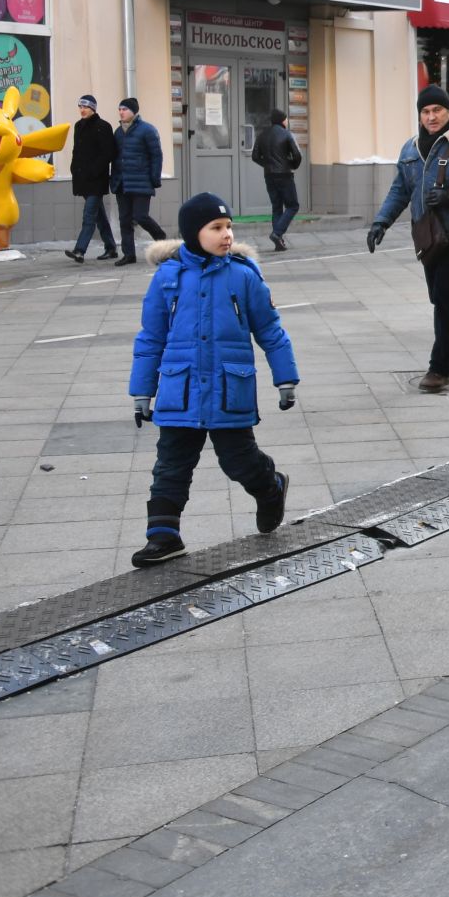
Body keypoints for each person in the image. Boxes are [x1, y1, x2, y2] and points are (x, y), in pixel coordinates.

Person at [127, 193, 297, 566]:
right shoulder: (168, 278)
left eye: (229, 228)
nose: (226, 235)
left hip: (227, 389)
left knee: (239, 461)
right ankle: (163, 535)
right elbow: (151, 336)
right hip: (179, 388)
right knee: (171, 464)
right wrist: (142, 390)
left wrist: (285, 378)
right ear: (193, 233)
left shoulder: (242, 276)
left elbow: (270, 330)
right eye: (216, 228)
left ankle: (270, 487)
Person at [367, 86, 449, 393]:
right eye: (425, 112)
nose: (431, 117)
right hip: (428, 233)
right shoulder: (410, 148)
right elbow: (400, 190)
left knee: (444, 293)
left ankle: (439, 367)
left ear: (448, 111)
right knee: (443, 297)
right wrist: (381, 222)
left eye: (437, 111)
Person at [111, 97, 166, 265]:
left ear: (134, 112)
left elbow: (156, 155)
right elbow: (115, 158)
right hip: (122, 182)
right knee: (125, 219)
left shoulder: (147, 130)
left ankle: (161, 238)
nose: (121, 112)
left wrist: (154, 178)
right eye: (120, 109)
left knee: (140, 216)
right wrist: (114, 179)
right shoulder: (118, 132)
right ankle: (129, 254)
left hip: (142, 181)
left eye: (125, 109)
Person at [65, 94, 118, 263]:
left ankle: (80, 250)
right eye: (80, 107)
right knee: (99, 215)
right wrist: (74, 169)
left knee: (88, 215)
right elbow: (77, 151)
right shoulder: (78, 126)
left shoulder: (103, 126)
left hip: (96, 180)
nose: (82, 110)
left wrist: (94, 171)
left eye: (85, 107)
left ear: (93, 108)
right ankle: (111, 247)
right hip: (83, 179)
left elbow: (108, 153)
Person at [248, 106, 303, 252]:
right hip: (284, 175)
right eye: (286, 118)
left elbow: (255, 156)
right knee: (293, 205)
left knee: (277, 207)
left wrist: (267, 164)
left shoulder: (262, 134)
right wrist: (291, 165)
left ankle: (278, 241)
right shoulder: (286, 134)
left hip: (269, 175)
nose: (287, 121)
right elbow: (297, 155)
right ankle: (277, 234)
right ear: (281, 120)